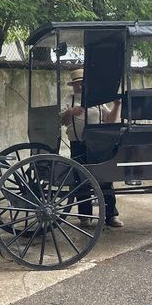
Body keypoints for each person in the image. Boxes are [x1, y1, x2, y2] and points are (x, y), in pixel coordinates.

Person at [60, 68, 123, 227]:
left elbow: (109, 120)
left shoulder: (98, 100)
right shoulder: (69, 99)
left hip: (98, 144)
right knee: (81, 180)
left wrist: (117, 106)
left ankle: (111, 215)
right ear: (73, 86)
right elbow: (62, 120)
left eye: (82, 83)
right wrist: (71, 112)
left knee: (105, 178)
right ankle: (84, 216)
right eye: (76, 84)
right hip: (78, 144)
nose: (79, 87)